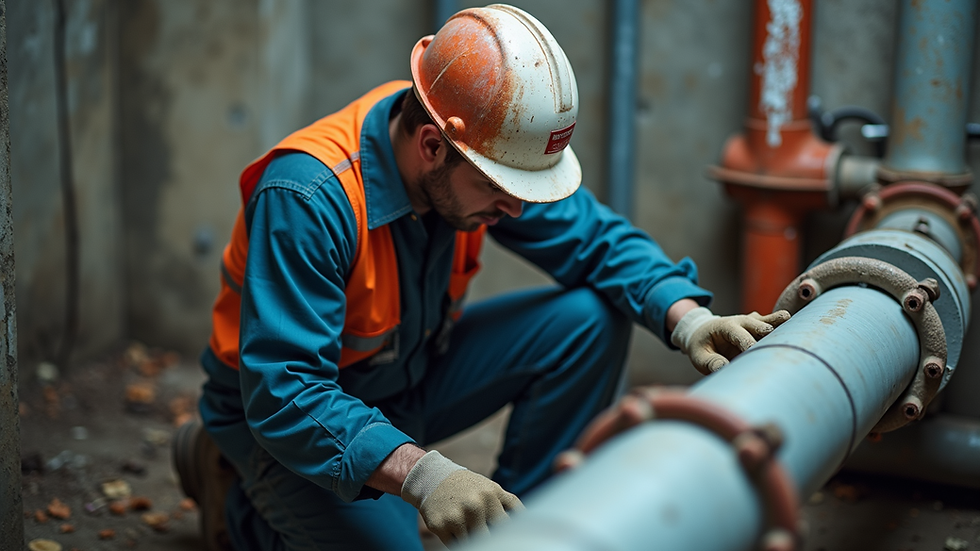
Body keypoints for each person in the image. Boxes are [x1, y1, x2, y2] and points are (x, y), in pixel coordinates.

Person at [173, 5, 789, 551]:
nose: (517, 211)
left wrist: (690, 320)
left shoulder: (466, 135)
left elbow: (595, 238)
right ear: (433, 146)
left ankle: (526, 531)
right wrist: (424, 475)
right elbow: (286, 393)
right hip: (288, 421)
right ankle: (237, 502)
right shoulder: (309, 197)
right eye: (500, 191)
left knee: (588, 322)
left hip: (407, 377)